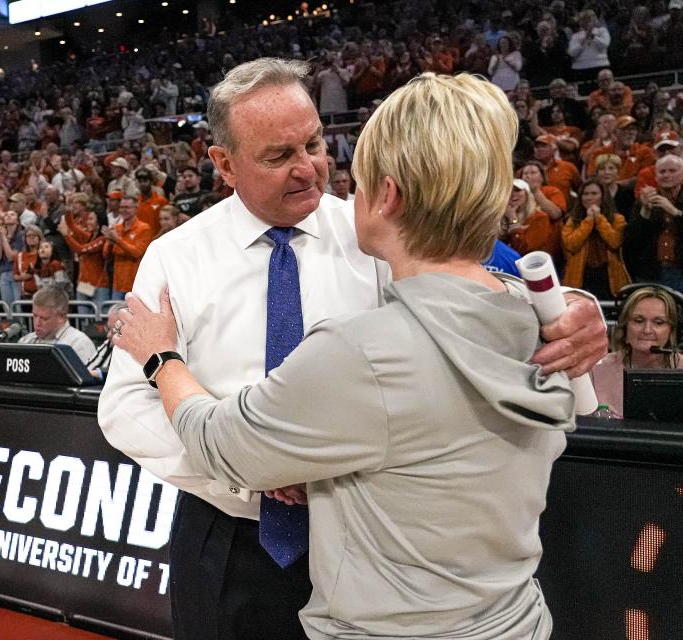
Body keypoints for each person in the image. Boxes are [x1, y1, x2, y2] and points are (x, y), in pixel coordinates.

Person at [97, 59, 607, 640]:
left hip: (377, 541)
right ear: (224, 164)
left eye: (314, 142)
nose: (308, 168)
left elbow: (479, 277)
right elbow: (124, 408)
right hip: (233, 532)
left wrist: (573, 307)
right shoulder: (175, 256)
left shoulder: (379, 224)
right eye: (277, 155)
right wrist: (251, 475)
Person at [591, 286, 683, 417]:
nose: (647, 330)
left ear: (672, 330)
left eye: (658, 322)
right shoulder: (597, 370)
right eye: (638, 321)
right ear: (625, 327)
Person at [561, 179, 631, 300]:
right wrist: (588, 221)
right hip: (581, 277)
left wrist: (598, 219)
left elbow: (615, 242)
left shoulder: (618, 219)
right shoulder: (572, 220)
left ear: (603, 196)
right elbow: (571, 245)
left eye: (594, 193)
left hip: (609, 277)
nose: (589, 197)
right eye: (585, 194)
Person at [624, 155, 683, 292]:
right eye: (662, 172)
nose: (666, 175)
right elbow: (631, 240)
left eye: (672, 171)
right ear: (656, 177)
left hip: (679, 271)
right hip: (651, 273)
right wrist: (645, 211)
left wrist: (675, 212)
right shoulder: (644, 201)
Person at [17, 286, 97, 363]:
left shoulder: (79, 344)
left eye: (44, 318)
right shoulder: (26, 341)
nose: (37, 323)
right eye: (34, 316)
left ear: (61, 317)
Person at [102, 195, 152, 300]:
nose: (124, 210)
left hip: (135, 285)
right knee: (116, 315)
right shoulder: (116, 228)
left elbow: (137, 253)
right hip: (118, 284)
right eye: (122, 207)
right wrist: (110, 243)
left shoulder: (144, 228)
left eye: (127, 207)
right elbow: (106, 254)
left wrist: (117, 240)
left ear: (136, 209)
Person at [501, 178, 553, 256]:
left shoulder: (539, 217)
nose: (512, 194)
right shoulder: (501, 216)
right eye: (509, 191)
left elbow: (523, 250)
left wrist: (513, 219)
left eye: (517, 190)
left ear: (527, 194)